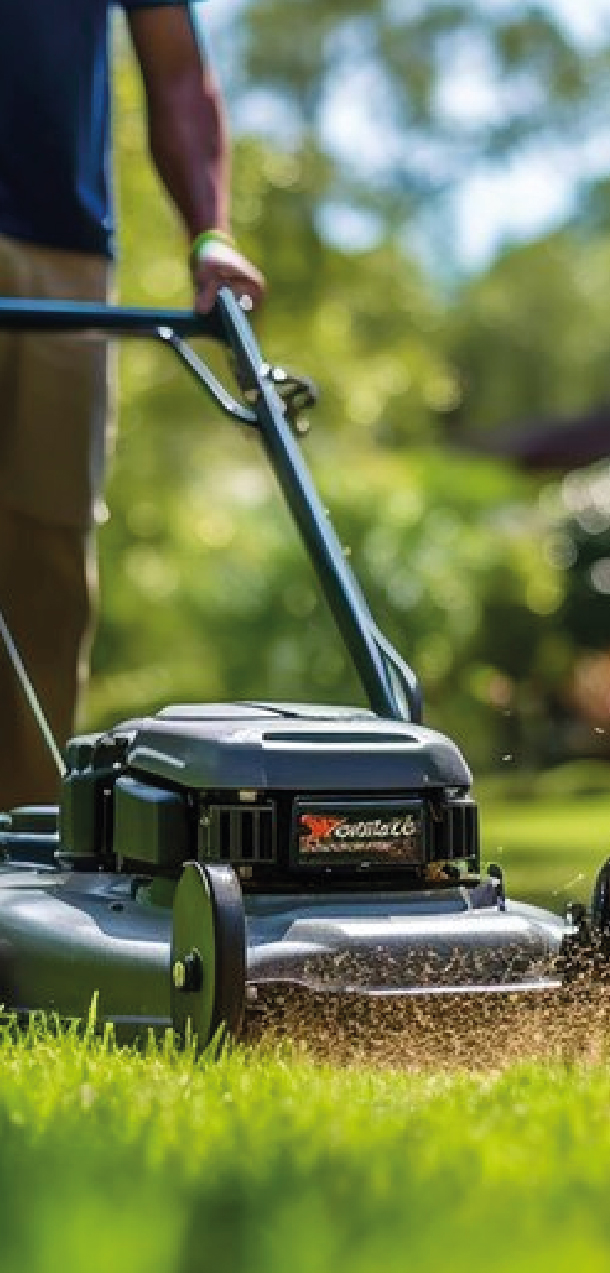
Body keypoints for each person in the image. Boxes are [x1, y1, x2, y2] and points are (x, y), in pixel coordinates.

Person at [0, 1, 265, 812]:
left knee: (45, 563)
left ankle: (17, 869)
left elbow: (178, 68)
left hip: (62, 256)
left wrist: (209, 233)